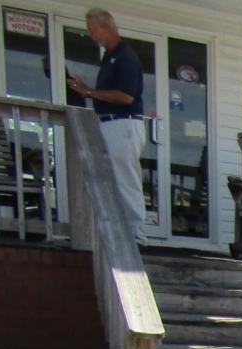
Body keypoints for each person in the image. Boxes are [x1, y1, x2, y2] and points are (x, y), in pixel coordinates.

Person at [67, 8, 146, 244]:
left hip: (123, 125)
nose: (93, 36)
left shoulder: (125, 57)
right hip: (110, 124)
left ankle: (136, 233)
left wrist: (90, 91)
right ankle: (121, 230)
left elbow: (127, 97)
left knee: (126, 178)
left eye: (94, 31)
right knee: (112, 179)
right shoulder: (110, 56)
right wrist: (88, 90)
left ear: (106, 27)